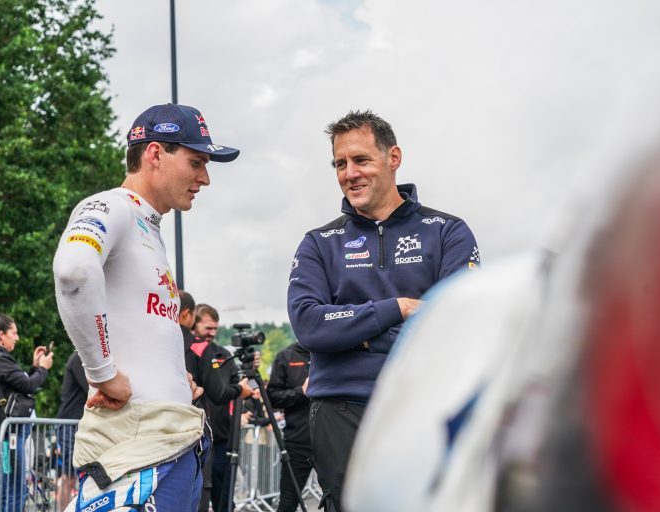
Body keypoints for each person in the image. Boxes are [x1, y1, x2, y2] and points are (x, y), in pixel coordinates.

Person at [287, 110, 480, 511]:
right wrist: (399, 308)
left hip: (423, 406)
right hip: (341, 409)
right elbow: (309, 326)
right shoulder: (319, 242)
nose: (349, 173)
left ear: (394, 158)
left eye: (361, 160)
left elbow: (457, 325)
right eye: (340, 164)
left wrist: (354, 336)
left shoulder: (447, 231)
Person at [52, 103, 240, 511]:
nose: (205, 178)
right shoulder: (112, 205)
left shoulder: (148, 226)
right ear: (155, 154)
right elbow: (73, 270)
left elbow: (140, 327)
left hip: (173, 443)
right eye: (196, 162)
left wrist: (176, 381)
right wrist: (102, 373)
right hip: (138, 452)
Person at [0, 312, 54, 512]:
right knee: (14, 488)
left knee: (9, 486)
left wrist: (34, 367)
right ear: (1, 334)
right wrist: (43, 368)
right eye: (14, 333)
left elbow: (20, 386)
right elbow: (28, 385)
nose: (17, 338)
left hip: (9, 432)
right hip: (11, 433)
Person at [190, 304, 252, 512]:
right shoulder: (187, 352)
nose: (212, 333)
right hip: (195, 436)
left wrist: (245, 385)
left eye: (215, 329)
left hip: (222, 436)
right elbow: (223, 392)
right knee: (197, 495)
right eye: (208, 328)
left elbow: (239, 386)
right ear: (194, 323)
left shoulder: (223, 354)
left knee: (224, 495)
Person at [267, 342, 313, 512]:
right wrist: (301, 392)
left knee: (338, 498)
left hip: (330, 439)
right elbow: (272, 397)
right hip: (298, 441)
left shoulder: (333, 351)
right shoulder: (286, 356)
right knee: (288, 501)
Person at [55, 351, 88, 509]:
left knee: (75, 476)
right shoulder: (78, 358)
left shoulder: (84, 357)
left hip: (77, 424)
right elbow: (91, 388)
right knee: (68, 476)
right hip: (69, 425)